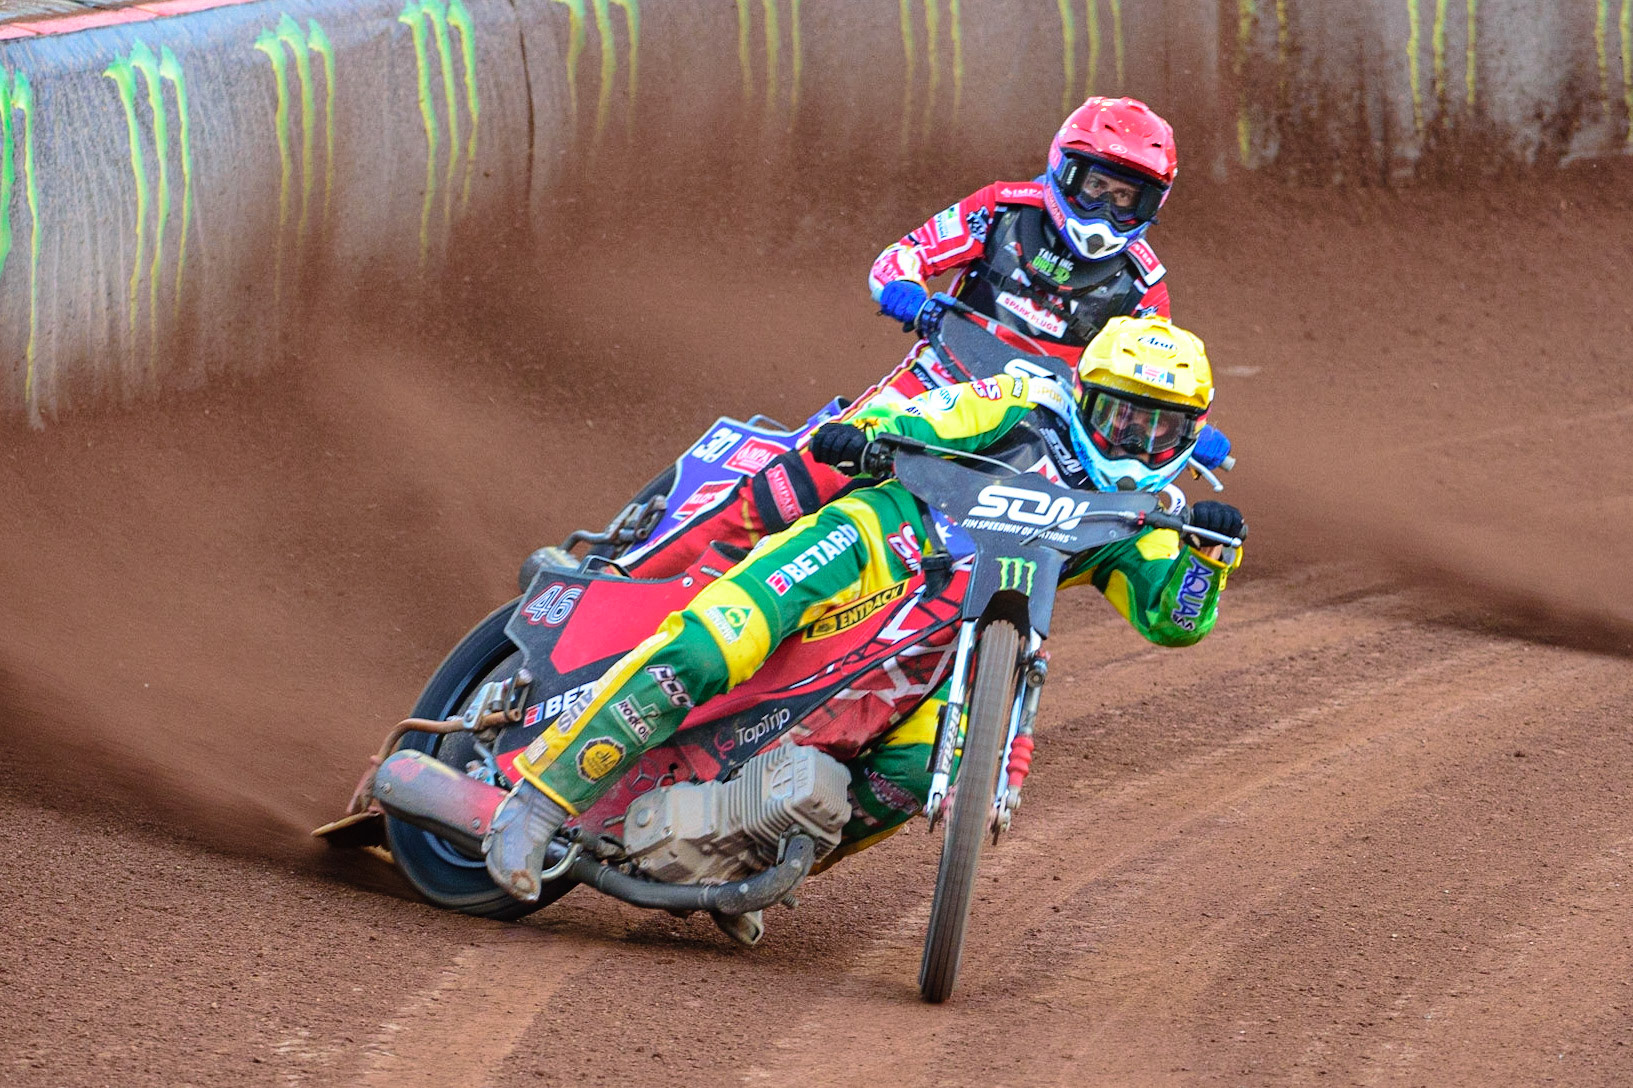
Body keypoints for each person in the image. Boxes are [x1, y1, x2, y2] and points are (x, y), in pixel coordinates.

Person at [485, 315, 1246, 905]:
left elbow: (1171, 619)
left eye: (1162, 429)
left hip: (949, 648)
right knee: (710, 648)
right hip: (875, 545)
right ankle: (537, 804)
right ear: (1085, 395)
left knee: (916, 773)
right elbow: (924, 416)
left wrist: (1208, 562)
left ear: (1192, 430)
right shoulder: (1023, 401)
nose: (1137, 442)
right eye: (1122, 417)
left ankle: (748, 860)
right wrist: (876, 435)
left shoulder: (1144, 513)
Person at [626, 96, 1180, 579]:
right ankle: (639, 572)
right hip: (933, 385)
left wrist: (1184, 427)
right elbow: (901, 256)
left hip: (1032, 434)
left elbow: (1149, 380)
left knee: (977, 555)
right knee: (803, 479)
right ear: (1065, 171)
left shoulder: (1144, 284)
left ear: (1150, 205)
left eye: (1127, 198)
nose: (1107, 209)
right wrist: (906, 291)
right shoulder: (1003, 207)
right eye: (1097, 187)